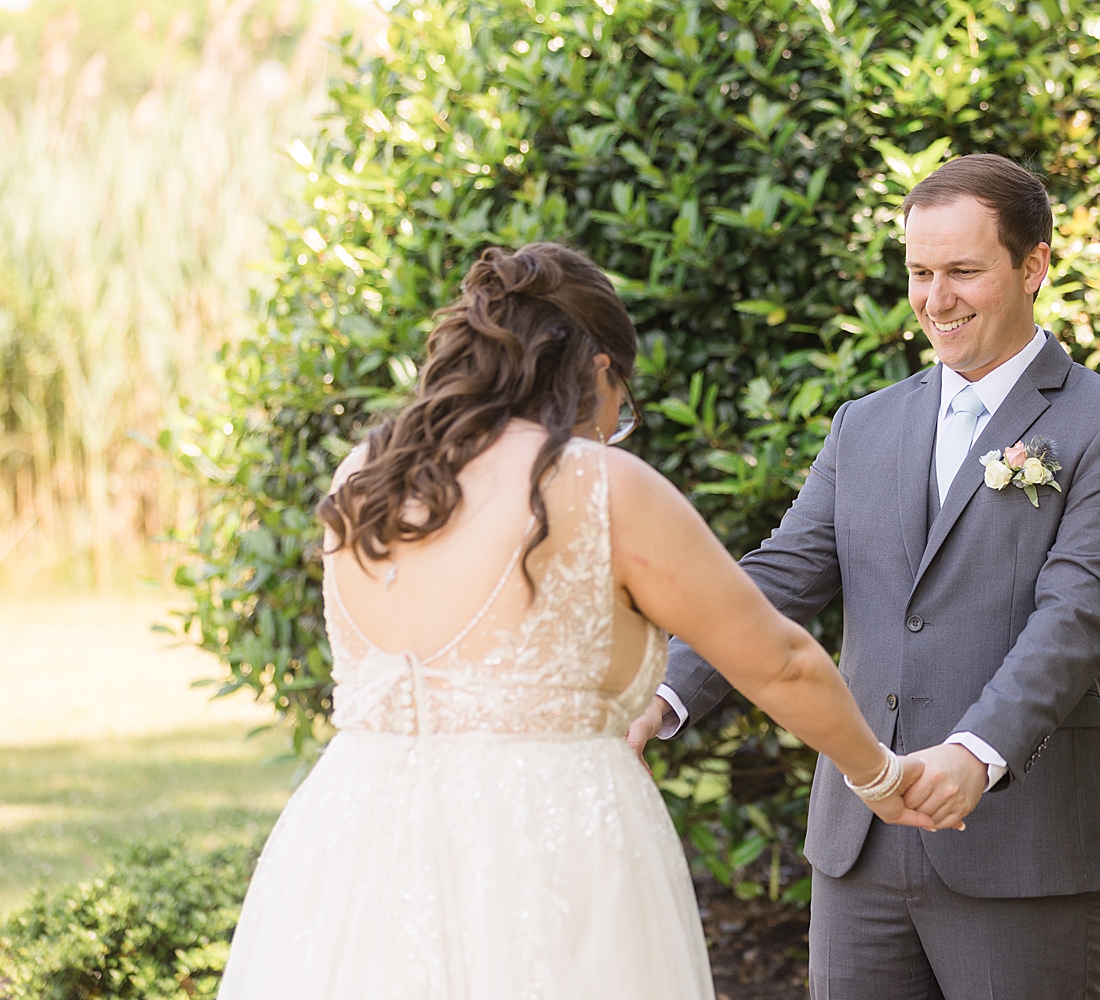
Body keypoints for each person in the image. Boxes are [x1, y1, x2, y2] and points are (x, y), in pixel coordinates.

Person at [217, 242, 932, 1000]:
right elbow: (778, 660)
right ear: (598, 368)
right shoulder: (599, 484)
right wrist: (879, 774)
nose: (617, 421)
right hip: (546, 842)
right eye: (624, 398)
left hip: (356, 841)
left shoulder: (366, 472)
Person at [628, 154, 1100, 999]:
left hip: (1017, 842)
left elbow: (1077, 622)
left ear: (1034, 266)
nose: (935, 299)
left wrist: (974, 755)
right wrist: (663, 696)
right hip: (860, 845)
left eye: (963, 271)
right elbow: (778, 578)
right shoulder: (865, 424)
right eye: (920, 272)